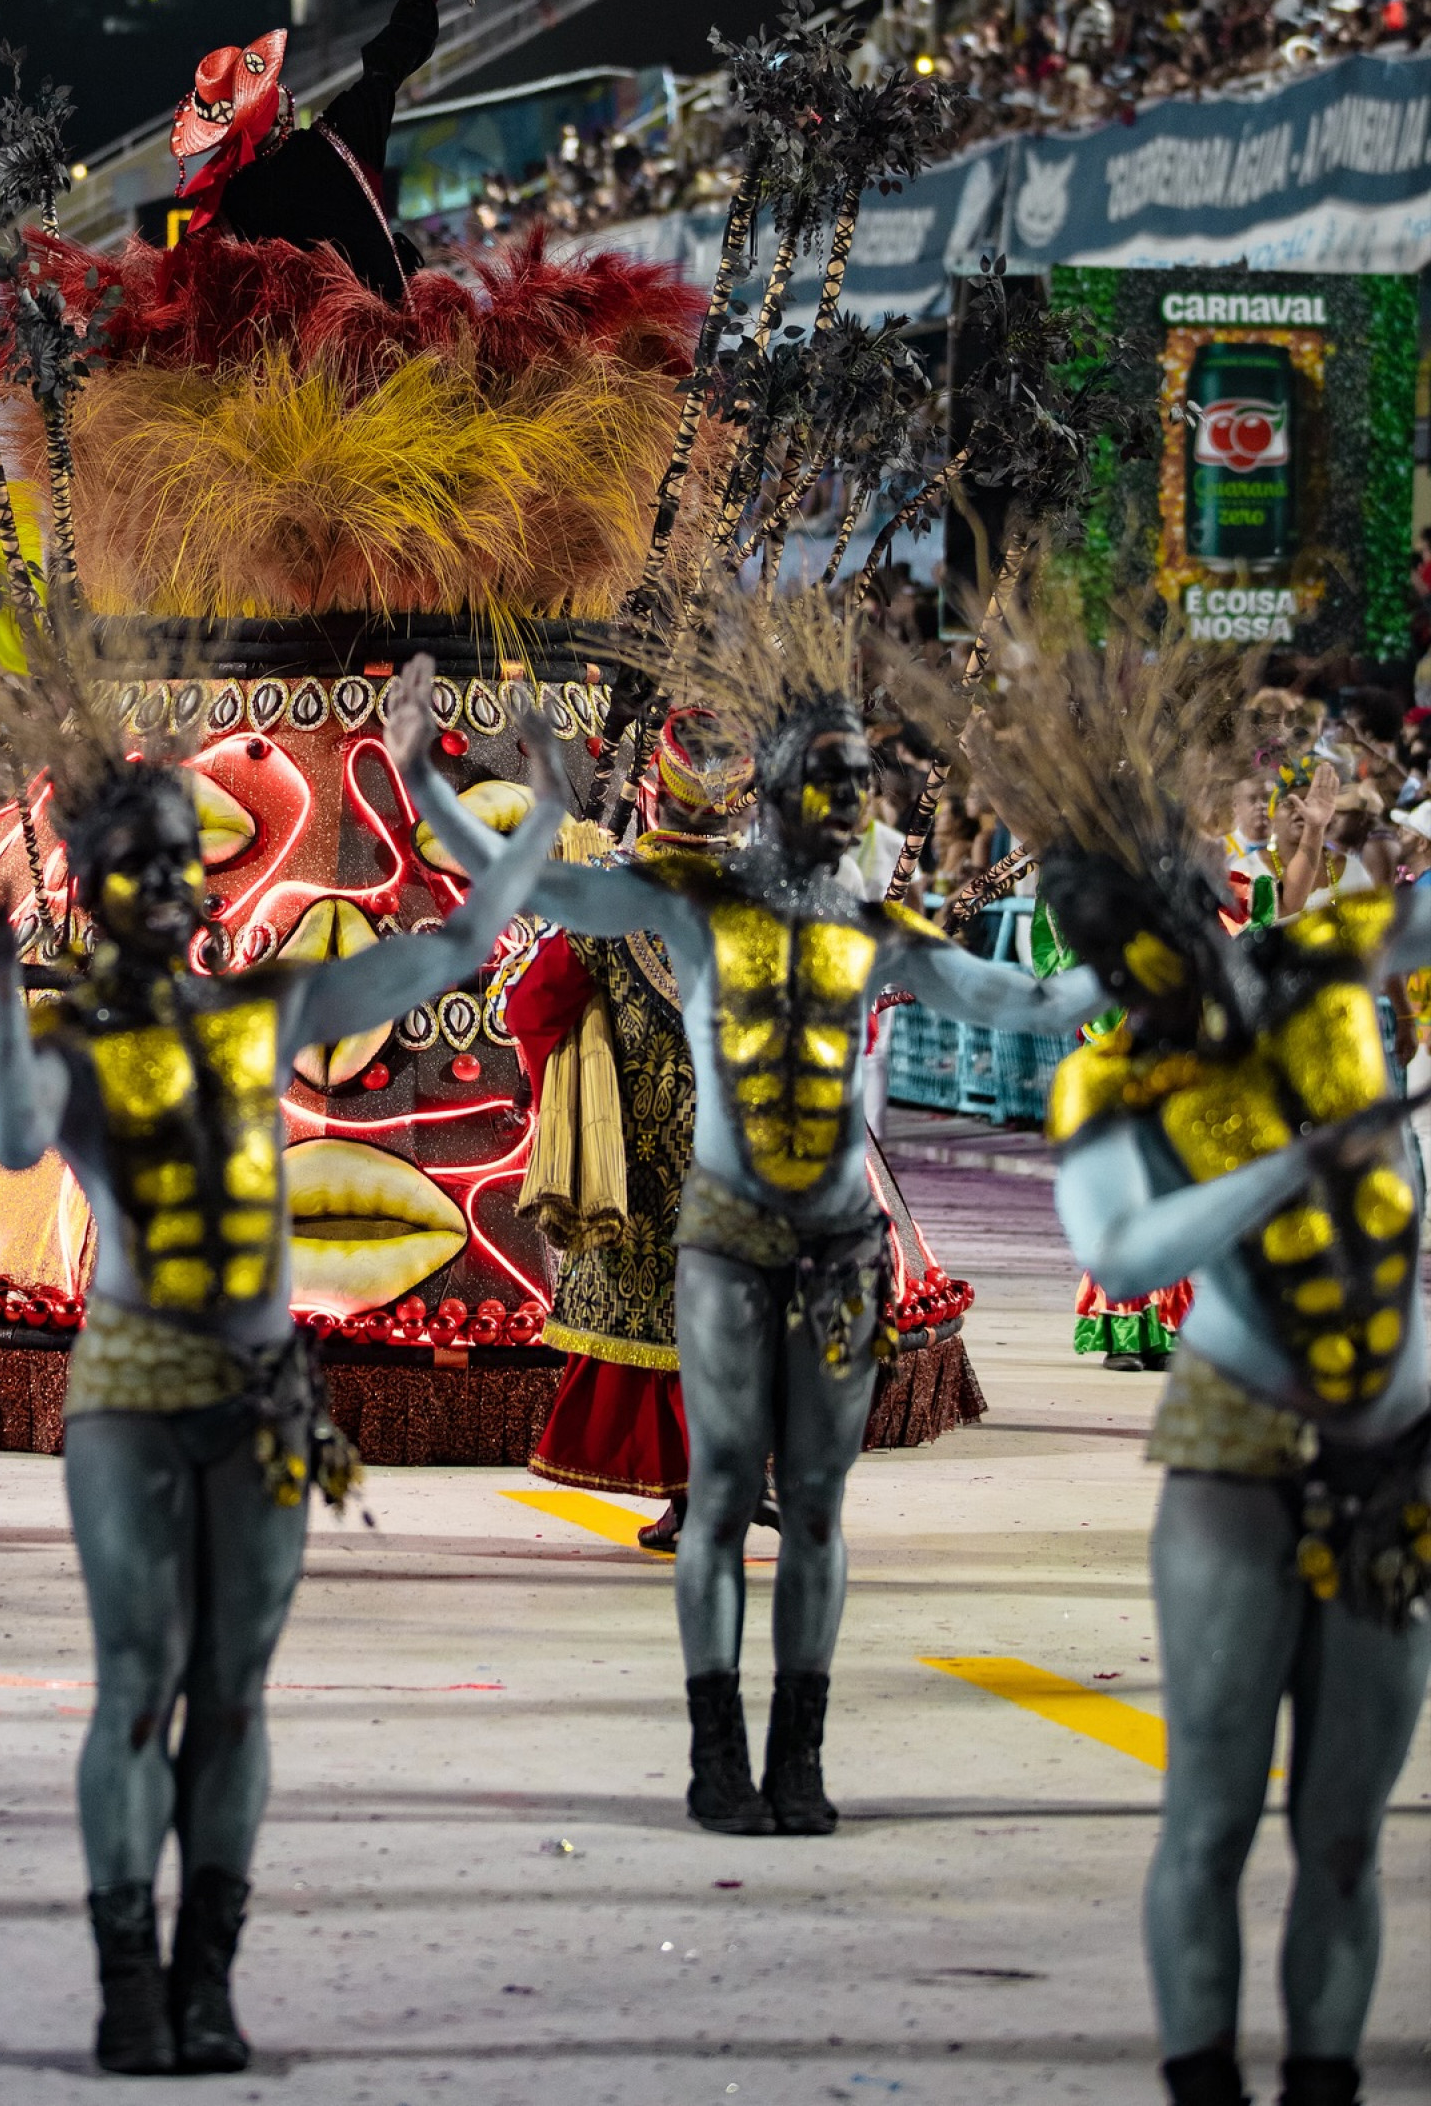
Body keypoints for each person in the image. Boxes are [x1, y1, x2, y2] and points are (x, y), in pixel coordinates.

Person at [398, 588, 1103, 1837]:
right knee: (722, 1495)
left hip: (841, 1257)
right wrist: (421, 780)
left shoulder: (876, 931)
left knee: (819, 1508)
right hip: (724, 1250)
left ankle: (803, 1751)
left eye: (859, 779)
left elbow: (1028, 1006)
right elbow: (525, 893)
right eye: (830, 778)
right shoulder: (692, 909)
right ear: (774, 795)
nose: (853, 800)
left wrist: (1136, 937)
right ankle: (718, 1749)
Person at [0, 642, 565, 2075]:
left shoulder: (264, 1013)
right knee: (137, 1682)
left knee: (232, 1693)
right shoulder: (79, 1043)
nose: (177, 890)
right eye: (145, 868)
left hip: (265, 1399)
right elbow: (7, 1136)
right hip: (127, 1398)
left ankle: (207, 1976)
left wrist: (516, 807)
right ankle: (125, 1978)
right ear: (96, 882)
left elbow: (462, 941)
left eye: (189, 864)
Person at [963, 597, 1431, 2106]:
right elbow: (1120, 1250)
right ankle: (1202, 2085)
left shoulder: (1330, 964)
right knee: (1217, 1811)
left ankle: (1325, 2084)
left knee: (1348, 1834)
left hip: (1395, 1458)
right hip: (1237, 1458)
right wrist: (1291, 1158)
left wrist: (1376, 827)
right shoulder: (1110, 1081)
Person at [506, 710, 753, 1551]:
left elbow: (535, 1004)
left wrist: (568, 1097)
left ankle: (699, 1498)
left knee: (664, 1324)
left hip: (649, 1156)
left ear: (651, 798)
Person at [172, 0, 461, 301]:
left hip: (300, 360)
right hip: (394, 346)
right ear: (277, 113)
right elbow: (389, 63)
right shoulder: (338, 139)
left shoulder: (228, 211)